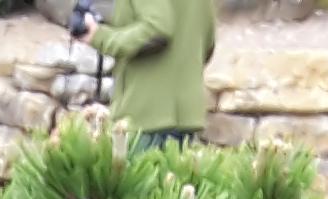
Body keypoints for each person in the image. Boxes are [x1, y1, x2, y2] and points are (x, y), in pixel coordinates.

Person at [70, 0, 217, 152]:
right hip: (186, 118)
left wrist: (100, 36)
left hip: (142, 121)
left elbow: (156, 30)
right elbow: (207, 42)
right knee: (176, 174)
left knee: (124, 171)